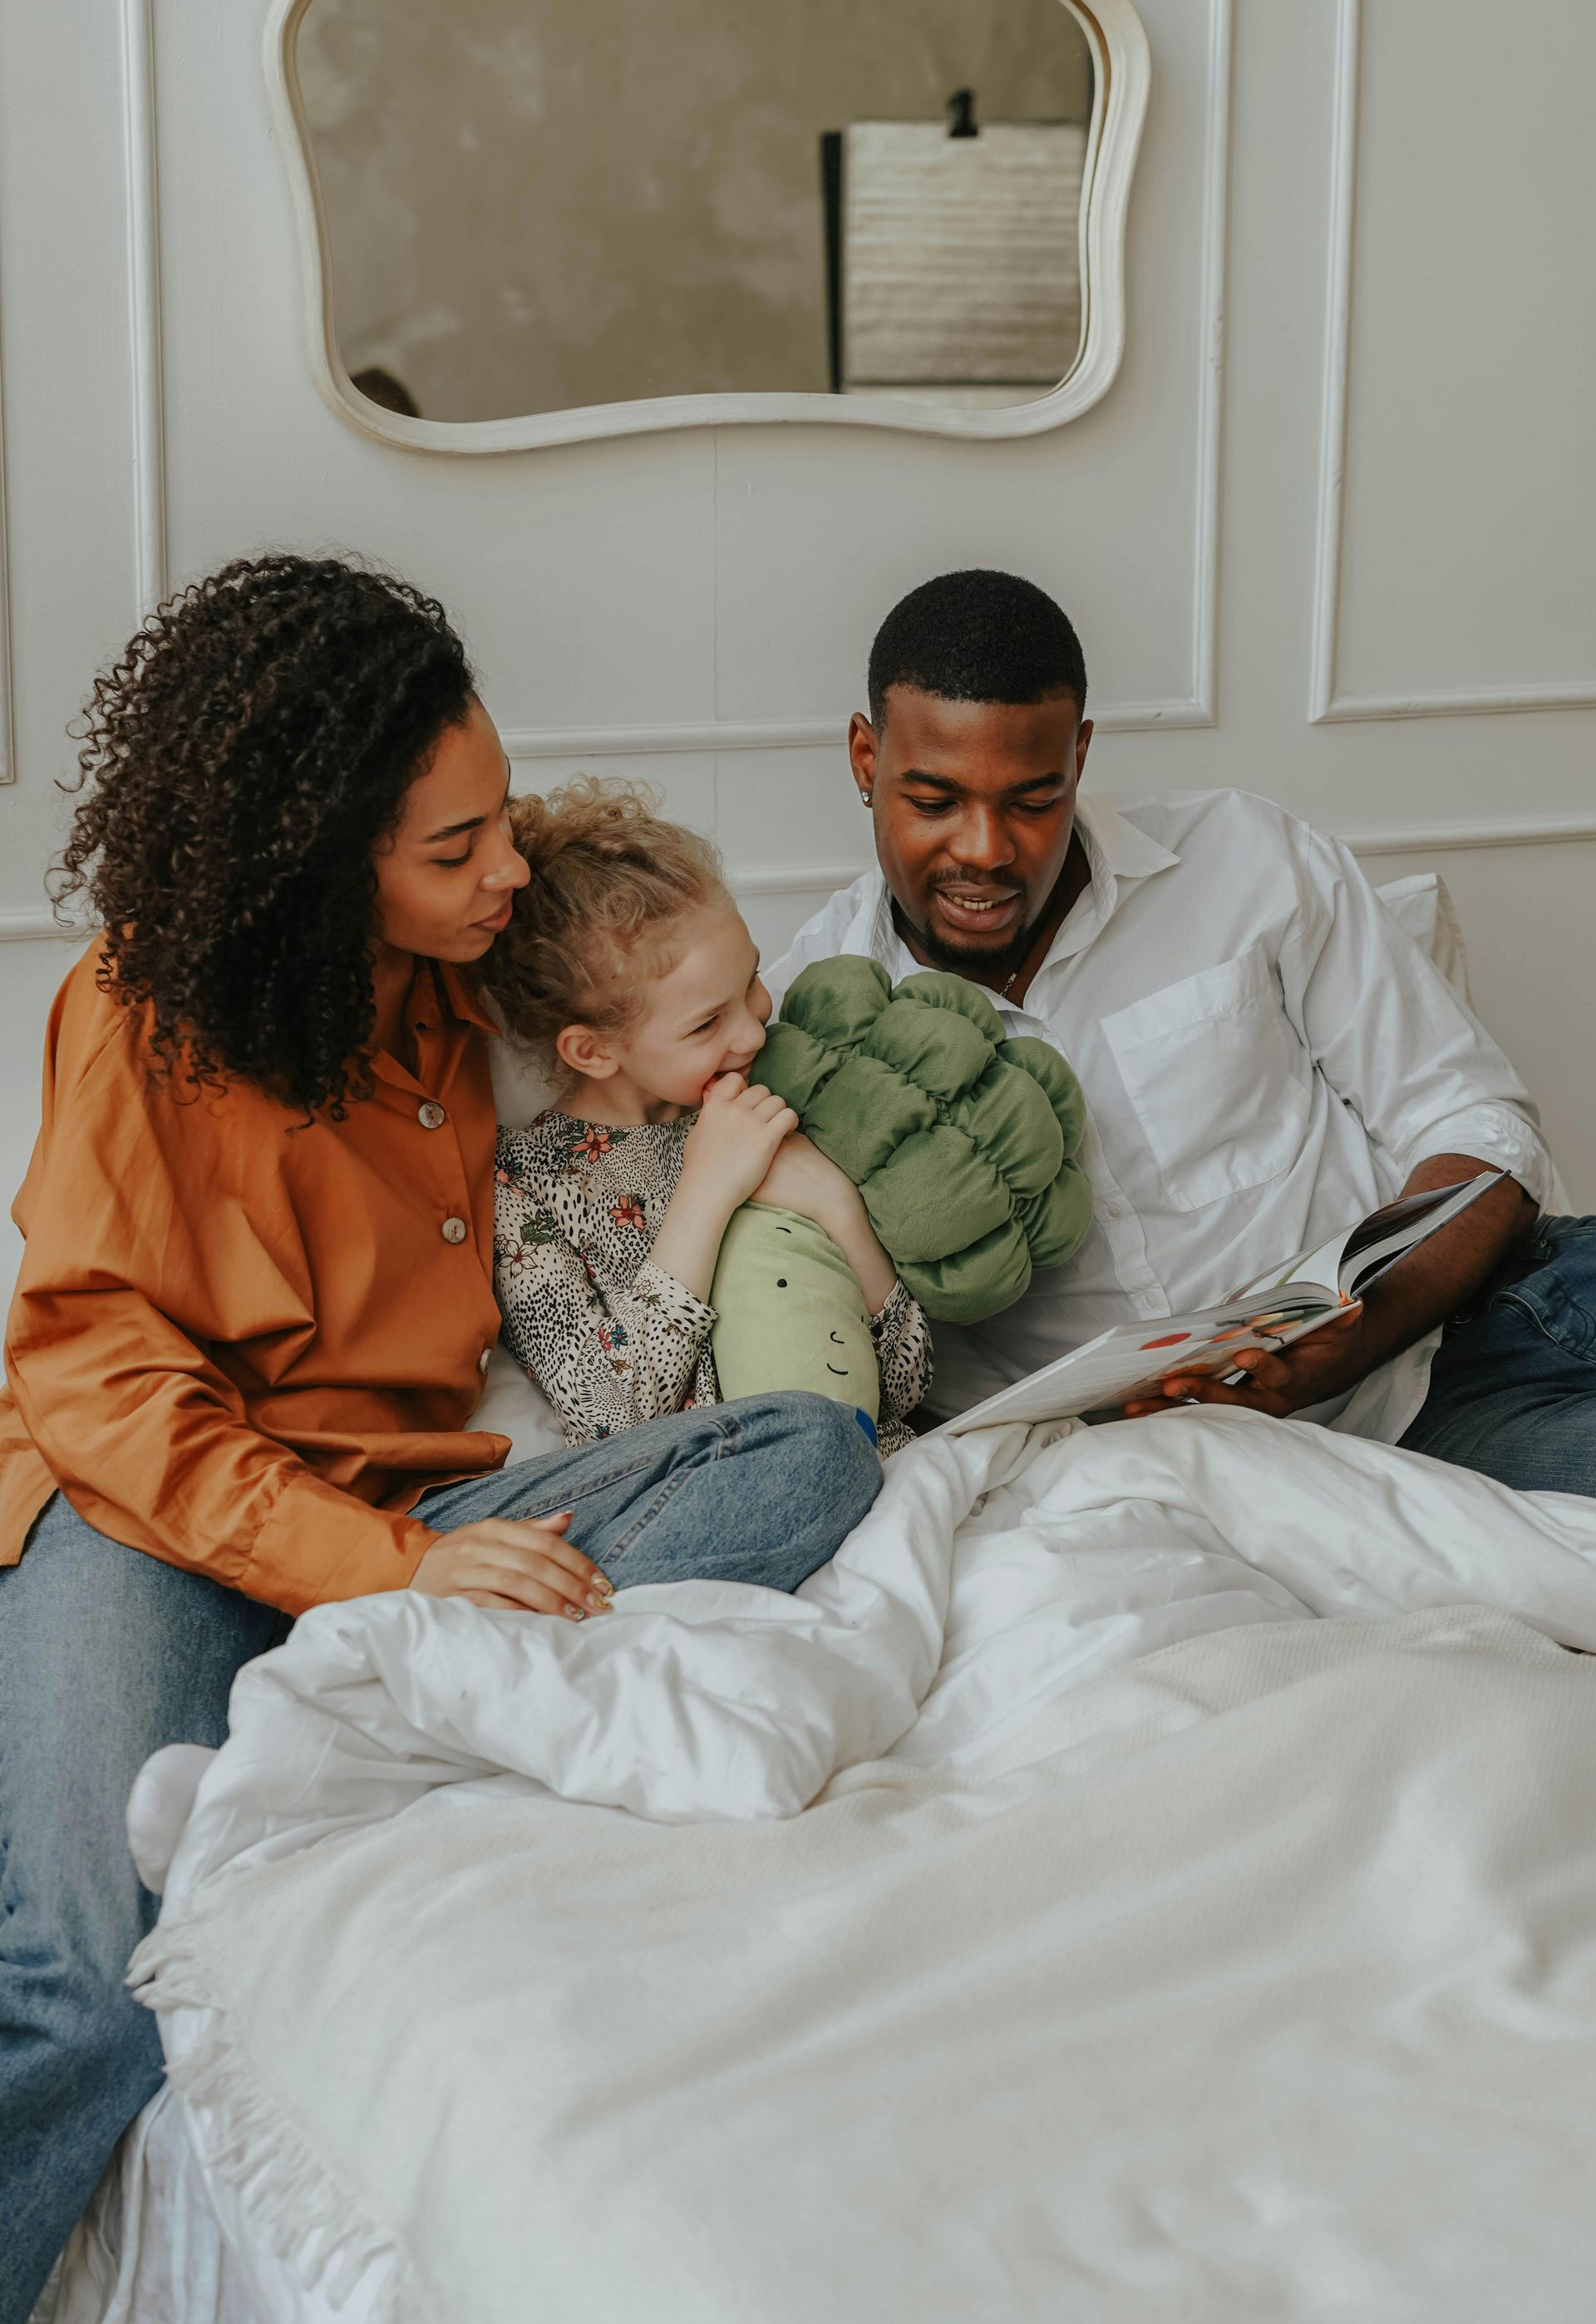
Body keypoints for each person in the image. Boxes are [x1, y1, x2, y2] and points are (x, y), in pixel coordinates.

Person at [0, 559, 882, 2321]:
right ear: (327, 860)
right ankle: (399, 1655)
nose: (507, 869)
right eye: (458, 846)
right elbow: (99, 1377)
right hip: (156, 1510)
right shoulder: (142, 1011)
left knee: (812, 1455)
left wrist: (760, 1150)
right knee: (99, 1982)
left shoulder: (467, 970)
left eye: (500, 817)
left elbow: (638, 999)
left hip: (417, 1492)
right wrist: (394, 1574)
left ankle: (400, 1671)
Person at [766, 567, 1595, 1494]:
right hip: (1226, 1473)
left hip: (1464, 1340)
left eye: (1033, 801)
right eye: (934, 801)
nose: (985, 849)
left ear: (1080, 756)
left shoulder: (1246, 858)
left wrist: (1347, 1337)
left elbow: (1481, 1126)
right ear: (864, 759)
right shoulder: (794, 1026)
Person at [485, 778, 932, 1454]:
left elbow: (905, 1384)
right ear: (594, 1049)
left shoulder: (773, 1095)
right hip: (732, 1491)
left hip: (881, 1461)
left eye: (750, 981)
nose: (753, 1032)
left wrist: (838, 1206)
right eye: (705, 1025)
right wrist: (706, 1190)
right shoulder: (529, 1183)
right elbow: (610, 1419)